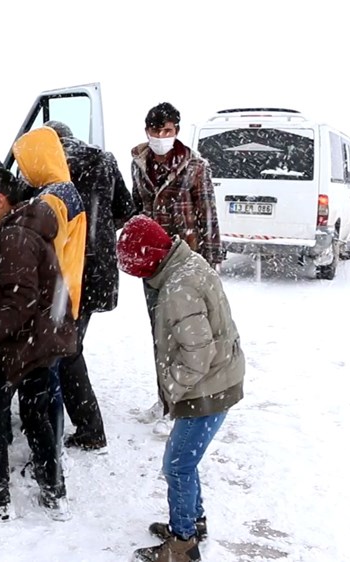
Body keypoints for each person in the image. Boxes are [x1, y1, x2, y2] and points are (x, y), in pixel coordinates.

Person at [116, 215, 245, 562]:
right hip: (221, 379)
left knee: (177, 465)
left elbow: (198, 355)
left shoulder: (178, 290)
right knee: (186, 459)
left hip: (206, 390)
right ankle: (193, 520)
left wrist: (170, 386)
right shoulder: (186, 262)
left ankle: (183, 543)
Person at [0, 168, 76, 521]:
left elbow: (19, 302)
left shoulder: (13, 237)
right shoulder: (26, 227)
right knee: (35, 415)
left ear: (0, 200)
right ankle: (54, 491)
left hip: (20, 345)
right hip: (42, 341)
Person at [43, 120, 136, 450]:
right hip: (99, 271)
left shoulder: (48, 165)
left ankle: (90, 428)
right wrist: (99, 232)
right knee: (70, 345)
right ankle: (83, 424)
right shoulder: (104, 159)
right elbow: (127, 209)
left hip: (68, 271)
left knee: (67, 349)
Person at [129, 102, 222, 426]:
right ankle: (164, 397)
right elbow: (137, 210)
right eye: (155, 131)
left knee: (185, 334)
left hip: (185, 260)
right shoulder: (138, 164)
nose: (160, 137)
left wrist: (211, 261)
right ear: (147, 131)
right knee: (159, 333)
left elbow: (208, 212)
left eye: (167, 131)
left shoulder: (195, 166)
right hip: (152, 264)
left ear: (176, 132)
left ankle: (183, 403)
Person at [11, 126, 86, 444]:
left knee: (45, 388)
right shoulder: (67, 190)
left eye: (25, 162)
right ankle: (51, 447)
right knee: (50, 379)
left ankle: (48, 451)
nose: (23, 172)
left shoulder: (51, 200)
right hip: (64, 300)